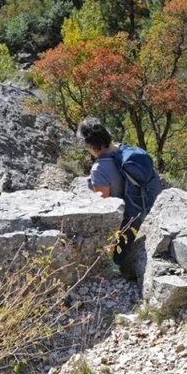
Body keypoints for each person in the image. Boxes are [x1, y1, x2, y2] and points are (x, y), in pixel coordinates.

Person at [77, 117, 138, 277]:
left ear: (89, 144)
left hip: (123, 222)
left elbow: (104, 211)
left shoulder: (99, 169)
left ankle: (114, 270)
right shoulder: (121, 151)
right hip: (139, 209)